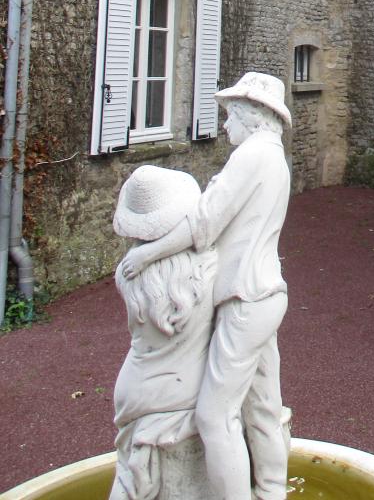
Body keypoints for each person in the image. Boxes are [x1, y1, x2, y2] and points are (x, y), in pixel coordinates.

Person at [122, 72, 292, 500]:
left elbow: (204, 222)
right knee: (263, 407)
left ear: (251, 115)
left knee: (215, 416)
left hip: (244, 299)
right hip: (266, 293)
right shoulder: (274, 155)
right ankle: (271, 491)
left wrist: (147, 253)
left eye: (229, 115)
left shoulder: (252, 155)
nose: (224, 125)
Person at [111, 166, 217, 500]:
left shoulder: (126, 274)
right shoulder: (212, 267)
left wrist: (147, 253)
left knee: (130, 478)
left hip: (135, 387)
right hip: (185, 389)